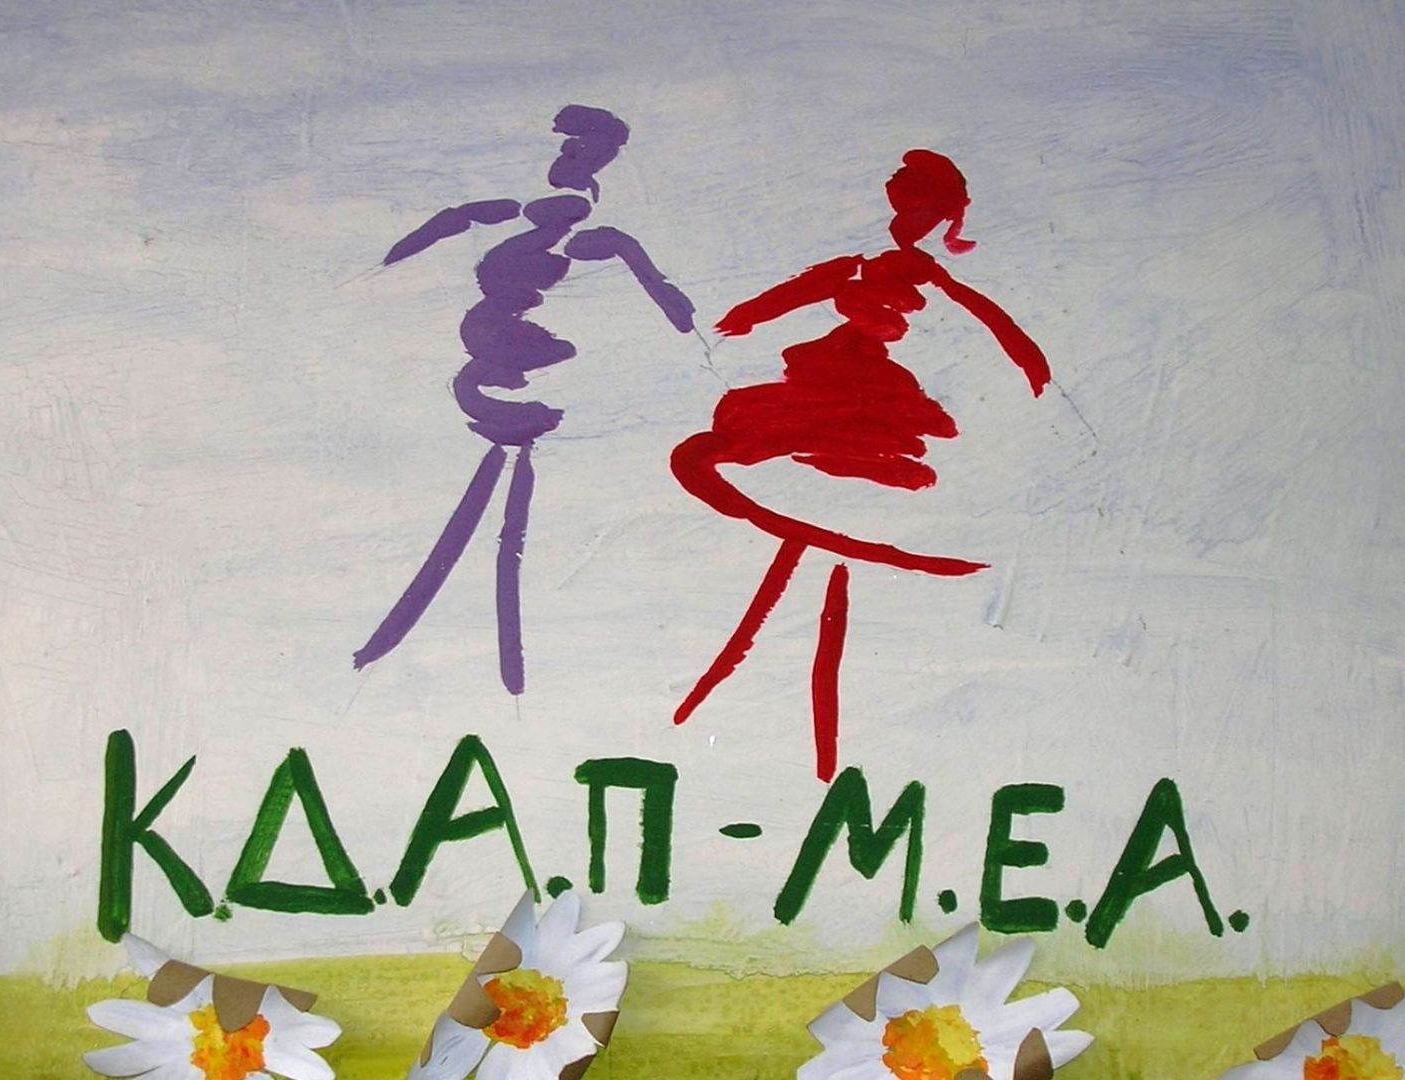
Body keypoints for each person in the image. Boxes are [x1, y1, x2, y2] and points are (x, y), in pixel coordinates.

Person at [671, 149, 1050, 781]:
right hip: (827, 425)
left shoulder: (921, 283)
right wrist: (743, 321)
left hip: (868, 434)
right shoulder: (874, 274)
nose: (905, 209)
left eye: (916, 199)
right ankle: (736, 712)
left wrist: (1026, 369)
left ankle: (801, 741)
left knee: (820, 563)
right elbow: (778, 303)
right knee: (804, 559)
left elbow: (1003, 336)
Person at [355, 105, 696, 694]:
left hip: (498, 364)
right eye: (584, 151)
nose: (586, 164)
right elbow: (457, 222)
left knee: (504, 523)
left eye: (597, 153)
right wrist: (393, 257)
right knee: (496, 522)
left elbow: (461, 225)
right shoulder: (531, 225)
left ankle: (497, 673)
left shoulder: (574, 235)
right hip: (492, 355)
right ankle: (446, 657)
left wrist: (668, 300)